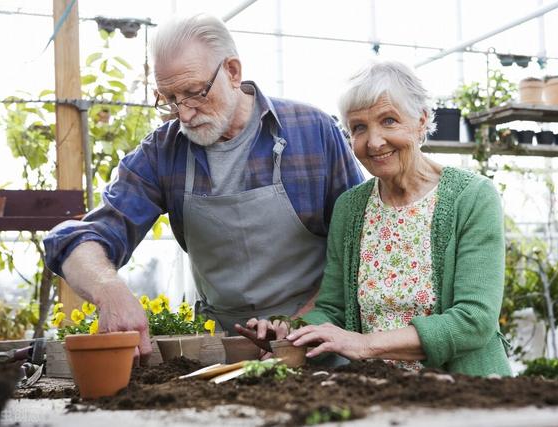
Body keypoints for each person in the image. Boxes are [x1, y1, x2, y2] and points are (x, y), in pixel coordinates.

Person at [43, 14, 363, 362]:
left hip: (317, 341)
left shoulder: (311, 131)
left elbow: (358, 244)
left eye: (195, 93)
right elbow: (75, 239)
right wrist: (108, 289)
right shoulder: (163, 153)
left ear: (233, 72)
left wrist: (304, 322)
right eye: (169, 98)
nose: (183, 114)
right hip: (220, 350)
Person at [238, 60, 512, 377]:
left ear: (421, 120)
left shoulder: (472, 197)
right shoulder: (351, 207)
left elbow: (473, 320)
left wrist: (363, 345)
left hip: (466, 393)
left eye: (389, 121)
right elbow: (332, 309)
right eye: (359, 128)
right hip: (377, 392)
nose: (374, 141)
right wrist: (291, 332)